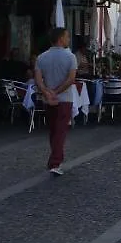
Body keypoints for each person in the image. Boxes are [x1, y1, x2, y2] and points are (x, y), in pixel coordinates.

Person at [34, 27, 78, 177]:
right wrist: (57, 92)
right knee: (60, 131)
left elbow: (38, 79)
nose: (69, 39)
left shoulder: (41, 57)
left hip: (48, 99)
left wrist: (47, 91)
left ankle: (54, 159)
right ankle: (55, 162)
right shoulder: (70, 57)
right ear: (60, 39)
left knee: (53, 130)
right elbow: (71, 79)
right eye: (67, 36)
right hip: (64, 98)